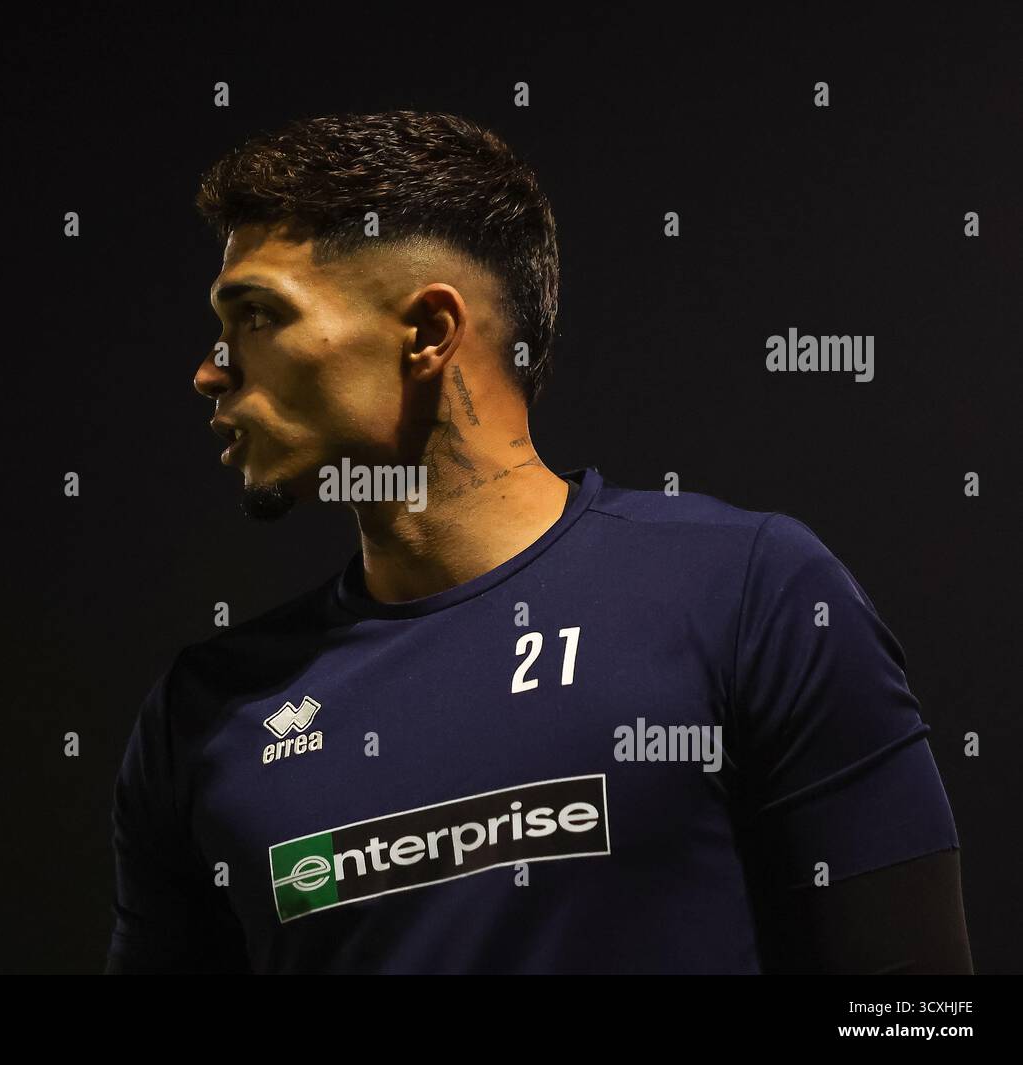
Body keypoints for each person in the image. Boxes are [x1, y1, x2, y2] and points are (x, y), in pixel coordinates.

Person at [106, 111, 971, 974]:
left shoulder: (750, 595)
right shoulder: (205, 716)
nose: (211, 371)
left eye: (258, 316)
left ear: (428, 333)